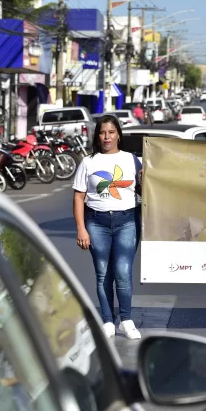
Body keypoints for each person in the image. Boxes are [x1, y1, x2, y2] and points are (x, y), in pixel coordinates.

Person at [72, 114, 143, 340]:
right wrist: (81, 229)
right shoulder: (88, 162)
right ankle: (107, 320)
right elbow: (78, 197)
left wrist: (145, 179)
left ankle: (126, 320)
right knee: (103, 274)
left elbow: (144, 191)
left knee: (123, 272)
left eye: (111, 132)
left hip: (127, 221)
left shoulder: (132, 160)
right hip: (96, 222)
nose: (106, 137)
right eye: (102, 132)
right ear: (97, 135)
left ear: (118, 135)